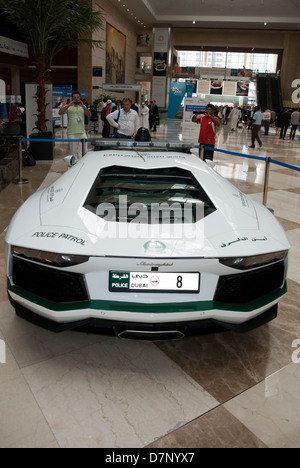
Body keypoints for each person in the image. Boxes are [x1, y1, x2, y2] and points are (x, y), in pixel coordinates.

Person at [59, 91, 91, 159]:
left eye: (78, 97)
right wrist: (68, 105)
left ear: (80, 98)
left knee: (83, 151)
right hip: (72, 132)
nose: (76, 99)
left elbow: (89, 114)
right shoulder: (68, 106)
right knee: (73, 152)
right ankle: (74, 165)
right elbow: (60, 113)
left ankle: (82, 164)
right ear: (72, 98)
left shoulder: (83, 106)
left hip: (82, 132)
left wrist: (83, 106)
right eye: (74, 97)